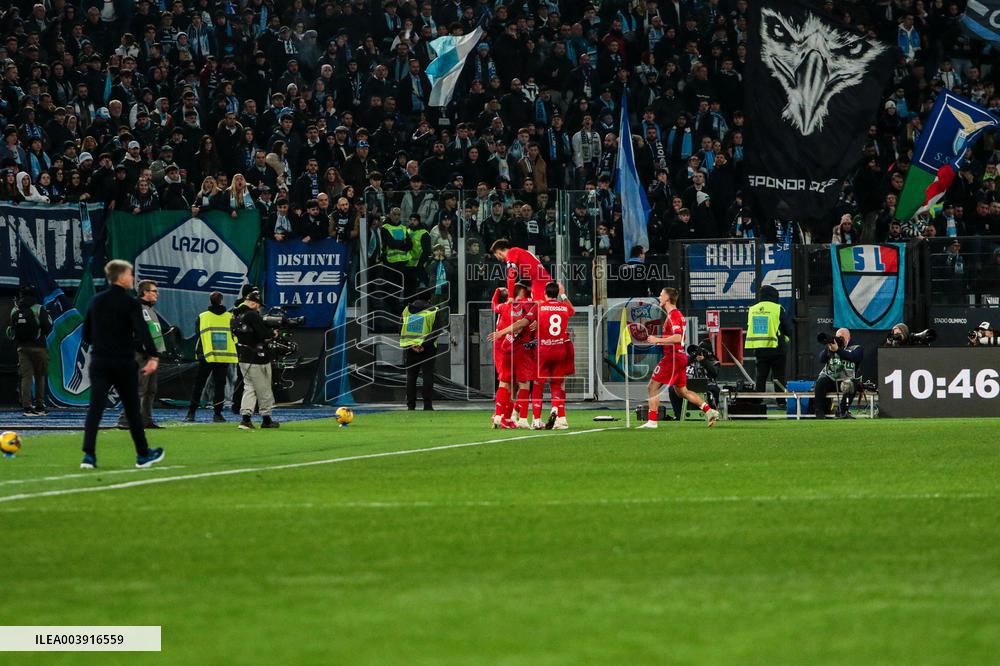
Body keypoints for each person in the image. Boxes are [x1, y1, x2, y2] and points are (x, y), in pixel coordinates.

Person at [80, 260, 164, 470]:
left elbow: (86, 335)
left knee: (95, 409)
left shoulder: (95, 301)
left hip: (99, 361)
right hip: (123, 362)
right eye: (130, 274)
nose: (132, 278)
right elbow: (143, 334)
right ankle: (142, 455)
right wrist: (153, 357)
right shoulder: (131, 304)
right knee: (132, 408)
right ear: (120, 277)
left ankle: (88, 456)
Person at [639, 287, 721, 428]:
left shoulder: (674, 316)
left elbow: (677, 338)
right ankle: (709, 411)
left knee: (652, 386)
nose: (659, 297)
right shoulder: (675, 315)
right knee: (682, 391)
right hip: (679, 357)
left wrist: (657, 340)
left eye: (660, 295)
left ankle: (652, 421)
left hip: (673, 357)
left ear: (667, 298)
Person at [117, 280, 167, 430]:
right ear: (145, 292)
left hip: (152, 354)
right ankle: (125, 419)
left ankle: (146, 419)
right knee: (138, 388)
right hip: (140, 354)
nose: (157, 294)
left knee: (150, 389)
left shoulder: (149, 309)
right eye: (154, 291)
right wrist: (140, 347)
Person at [185, 291, 237, 423]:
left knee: (199, 384)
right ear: (222, 301)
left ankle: (191, 413)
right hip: (223, 356)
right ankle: (218, 414)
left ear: (210, 301)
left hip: (206, 355)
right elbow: (234, 336)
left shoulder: (203, 316)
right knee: (220, 385)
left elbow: (198, 335)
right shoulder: (230, 317)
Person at [231, 289, 280, 430]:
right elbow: (263, 334)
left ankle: (245, 419)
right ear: (253, 303)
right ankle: (266, 419)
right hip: (256, 358)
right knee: (264, 388)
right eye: (259, 305)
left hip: (243, 357)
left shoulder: (236, 314)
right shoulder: (252, 315)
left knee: (249, 388)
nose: (259, 308)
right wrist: (273, 333)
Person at [6, 286, 52, 416]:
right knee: (39, 376)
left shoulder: (15, 309)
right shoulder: (39, 308)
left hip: (22, 348)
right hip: (40, 347)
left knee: (25, 377)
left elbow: (10, 331)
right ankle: (39, 406)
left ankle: (27, 406)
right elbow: (48, 327)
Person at [744, 285, 793, 407]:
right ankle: (780, 402)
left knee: (760, 377)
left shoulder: (752, 309)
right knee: (778, 376)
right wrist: (786, 339)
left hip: (760, 349)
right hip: (777, 348)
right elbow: (787, 328)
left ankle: (758, 401)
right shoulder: (777, 308)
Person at [535, 281, 575, 429]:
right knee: (559, 383)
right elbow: (572, 311)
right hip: (562, 347)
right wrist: (563, 294)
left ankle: (539, 419)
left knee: (539, 383)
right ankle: (560, 415)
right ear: (557, 293)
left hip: (545, 349)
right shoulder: (563, 307)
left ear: (545, 293)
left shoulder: (540, 307)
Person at [487, 286, 525, 429]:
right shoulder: (518, 308)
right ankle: (503, 415)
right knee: (510, 382)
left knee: (509, 382)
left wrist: (496, 291)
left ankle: (502, 415)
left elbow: (494, 305)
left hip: (504, 345)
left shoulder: (504, 306)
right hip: (508, 346)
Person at [399, 297, 447, 411]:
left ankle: (411, 405)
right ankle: (427, 405)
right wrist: (423, 344)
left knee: (411, 377)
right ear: (429, 299)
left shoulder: (407, 310)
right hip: (428, 349)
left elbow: (400, 328)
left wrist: (412, 345)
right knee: (428, 376)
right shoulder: (433, 310)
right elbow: (437, 330)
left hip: (411, 348)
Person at [814, 328, 864, 419]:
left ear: (848, 337)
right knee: (821, 381)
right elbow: (821, 359)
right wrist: (829, 349)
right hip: (831, 377)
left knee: (851, 384)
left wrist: (838, 350)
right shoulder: (832, 347)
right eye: (838, 337)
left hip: (846, 379)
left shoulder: (856, 348)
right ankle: (819, 412)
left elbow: (855, 357)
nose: (840, 339)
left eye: (842, 337)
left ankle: (841, 411)